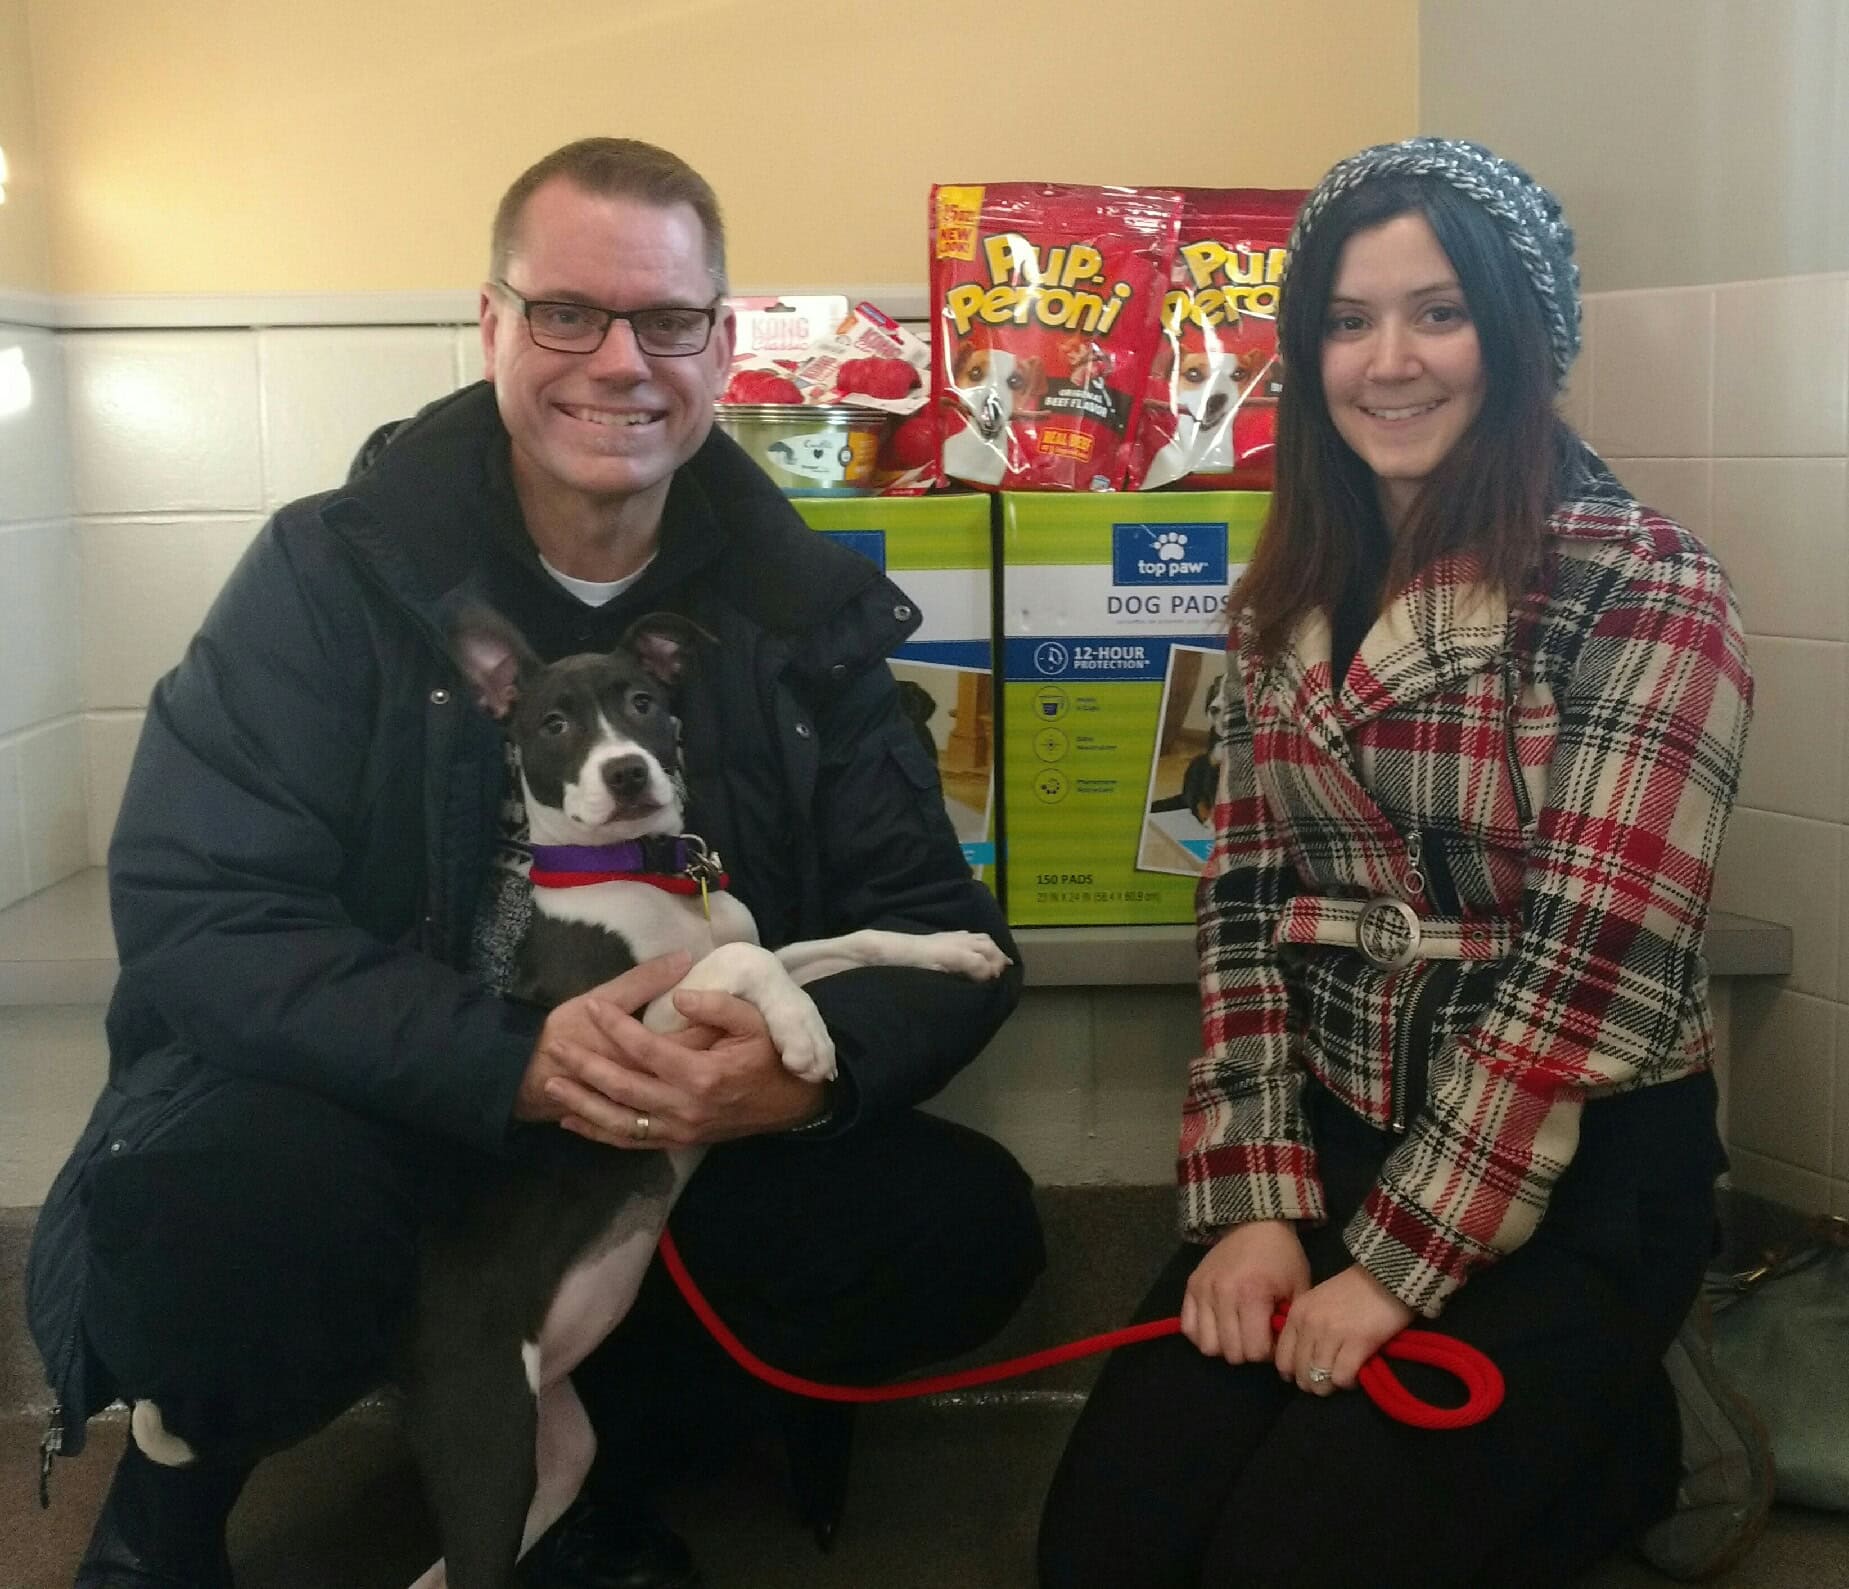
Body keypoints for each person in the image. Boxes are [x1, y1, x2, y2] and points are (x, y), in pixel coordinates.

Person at [27, 136, 1044, 1589]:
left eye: (667, 320)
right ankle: (183, 1478)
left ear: (722, 346)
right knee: (215, 1214)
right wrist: (502, 1058)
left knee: (955, 1225)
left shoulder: (791, 603)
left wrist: (800, 1081)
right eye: (567, 313)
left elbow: (938, 928)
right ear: (492, 325)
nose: (620, 361)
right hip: (378, 1101)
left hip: (666, 1126)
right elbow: (204, 916)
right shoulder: (332, 573)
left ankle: (590, 1469)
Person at [1038, 138, 1760, 1588]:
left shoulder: (1644, 581)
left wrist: (1394, 1269)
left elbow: (1586, 976)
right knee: (1103, 1552)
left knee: (1284, 1561)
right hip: (1336, 1130)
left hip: (1572, 1168)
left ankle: (1629, 1427)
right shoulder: (1283, 586)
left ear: (1521, 335)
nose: (1388, 362)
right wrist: (1253, 1202)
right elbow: (1241, 907)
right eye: (1347, 320)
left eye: (1440, 313)